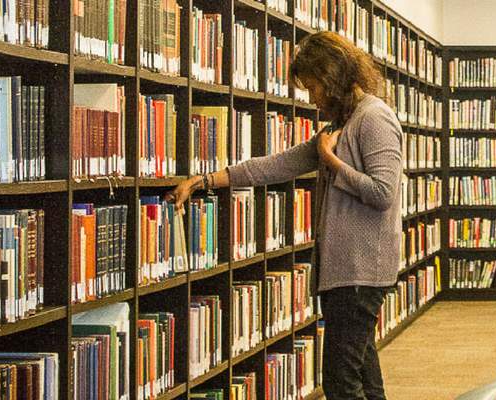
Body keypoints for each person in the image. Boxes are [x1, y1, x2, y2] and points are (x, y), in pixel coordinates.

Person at [169, 31, 401, 400]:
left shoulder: (373, 118)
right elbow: (276, 166)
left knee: (341, 383)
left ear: (332, 77)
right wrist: (206, 181)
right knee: (363, 376)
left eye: (313, 86)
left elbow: (383, 193)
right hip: (345, 274)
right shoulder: (341, 124)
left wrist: (331, 161)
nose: (312, 97)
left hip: (361, 274)